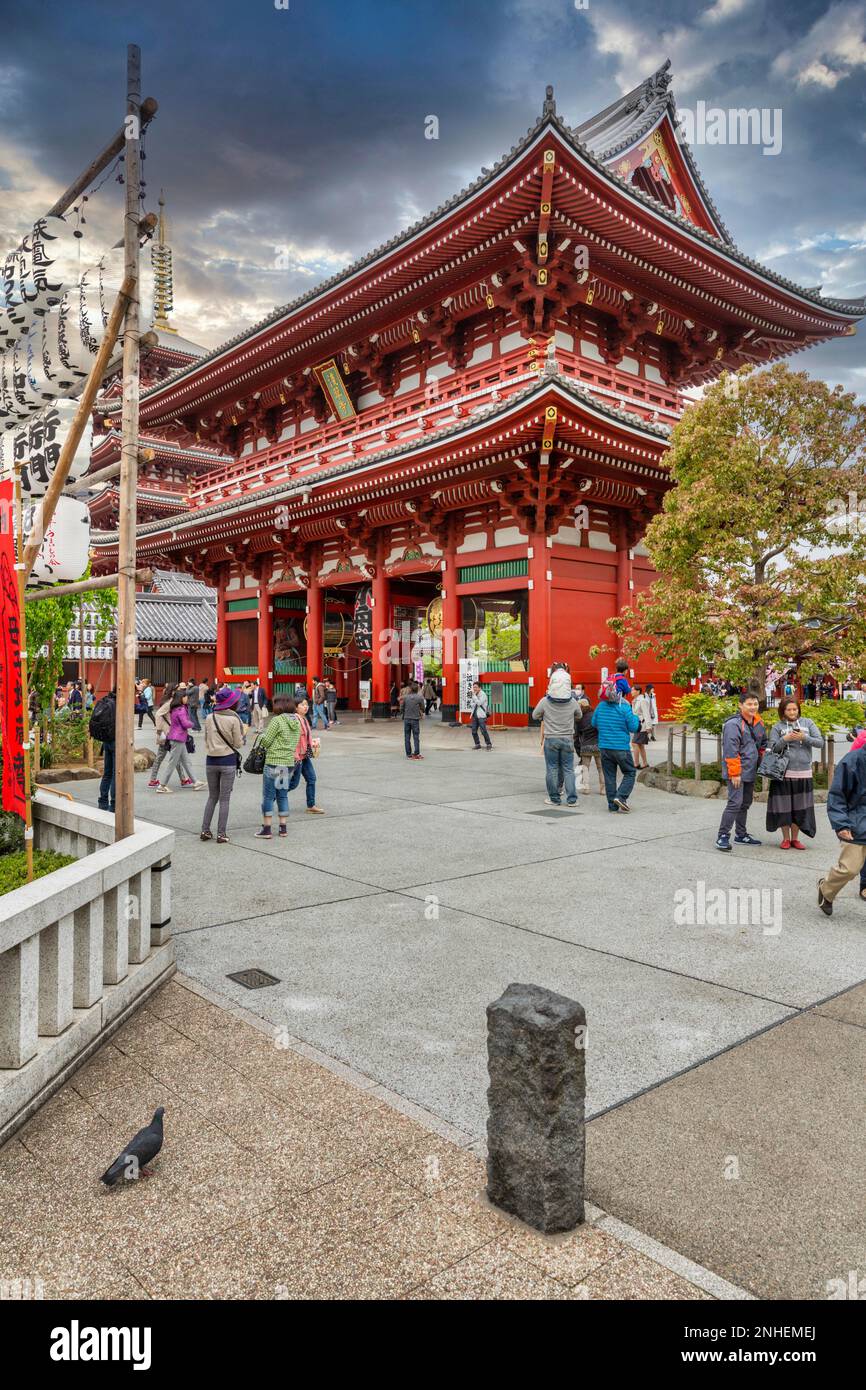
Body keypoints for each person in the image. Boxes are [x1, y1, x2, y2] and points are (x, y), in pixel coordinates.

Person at [766, 699, 823, 850]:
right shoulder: (777, 727)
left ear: (798, 710)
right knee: (784, 807)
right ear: (783, 711)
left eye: (795, 709)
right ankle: (785, 838)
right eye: (788, 710)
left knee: (799, 808)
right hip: (782, 774)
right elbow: (772, 749)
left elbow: (820, 742)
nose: (792, 712)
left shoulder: (808, 723)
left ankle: (795, 839)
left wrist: (804, 738)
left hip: (803, 772)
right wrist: (784, 739)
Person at [818, 734, 866, 917]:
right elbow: (837, 795)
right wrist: (841, 824)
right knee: (849, 869)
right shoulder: (853, 760)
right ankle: (826, 889)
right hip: (857, 823)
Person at [715, 692, 767, 851]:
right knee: (735, 803)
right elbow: (731, 750)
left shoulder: (758, 721)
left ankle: (741, 834)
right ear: (740, 705)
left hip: (751, 769)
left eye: (755, 704)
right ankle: (722, 836)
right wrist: (735, 773)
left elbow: (763, 742)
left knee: (745, 803)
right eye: (749, 704)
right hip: (737, 771)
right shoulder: (734, 724)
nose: (753, 707)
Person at [200, 686, 246, 843]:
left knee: (212, 796)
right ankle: (221, 833)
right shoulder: (233, 719)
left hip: (210, 760)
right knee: (224, 799)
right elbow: (238, 744)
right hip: (227, 760)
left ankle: (205, 830)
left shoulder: (209, 718)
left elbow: (206, 739)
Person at [256, 695, 304, 838]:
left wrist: (260, 737)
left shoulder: (277, 721)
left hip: (273, 762)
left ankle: (267, 828)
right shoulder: (296, 721)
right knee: (282, 796)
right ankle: (283, 828)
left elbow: (266, 741)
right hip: (287, 764)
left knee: (268, 796)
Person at [533, 668, 579, 807]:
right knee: (568, 769)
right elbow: (579, 715)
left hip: (551, 738)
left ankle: (554, 798)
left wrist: (545, 717)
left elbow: (535, 715)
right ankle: (572, 799)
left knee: (552, 768)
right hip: (567, 738)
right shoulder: (572, 702)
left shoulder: (545, 701)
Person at [592, 682, 640, 812]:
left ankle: (612, 805)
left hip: (604, 747)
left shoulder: (600, 706)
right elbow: (634, 727)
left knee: (609, 776)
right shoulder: (624, 708)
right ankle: (621, 797)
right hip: (621, 748)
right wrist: (635, 717)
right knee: (630, 772)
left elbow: (594, 723)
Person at [156, 692, 204, 793]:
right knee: (172, 763)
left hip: (176, 737)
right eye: (185, 696)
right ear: (181, 698)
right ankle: (162, 785)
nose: (187, 698)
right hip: (178, 738)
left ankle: (196, 781)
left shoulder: (174, 709)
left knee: (186, 761)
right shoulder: (181, 709)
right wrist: (193, 723)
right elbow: (185, 723)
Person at [289, 695, 325, 814]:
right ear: (295, 707)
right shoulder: (294, 719)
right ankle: (271, 797)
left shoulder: (304, 718)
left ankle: (311, 805)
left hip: (304, 755)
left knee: (311, 778)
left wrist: (312, 744)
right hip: (297, 756)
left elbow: (305, 737)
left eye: (306, 704)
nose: (306, 707)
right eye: (302, 705)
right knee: (293, 783)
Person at [89, 688, 117, 812]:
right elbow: (142, 708)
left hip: (106, 740)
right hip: (117, 741)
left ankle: (102, 802)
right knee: (116, 774)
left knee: (107, 773)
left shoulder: (107, 700)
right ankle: (114, 804)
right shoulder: (121, 703)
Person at [574, 684, 604, 796]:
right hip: (598, 745)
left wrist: (578, 751)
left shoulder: (579, 719)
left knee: (585, 767)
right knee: (601, 768)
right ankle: (603, 789)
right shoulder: (596, 716)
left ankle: (586, 788)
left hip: (585, 746)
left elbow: (576, 737)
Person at [148, 683, 177, 788]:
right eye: (177, 689)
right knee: (168, 757)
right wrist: (160, 731)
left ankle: (183, 779)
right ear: (172, 691)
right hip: (167, 734)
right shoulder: (169, 703)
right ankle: (152, 780)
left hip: (169, 733)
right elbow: (158, 714)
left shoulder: (171, 702)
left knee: (176, 756)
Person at [401, 680, 425, 759]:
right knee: (416, 736)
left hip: (407, 718)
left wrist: (404, 712)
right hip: (415, 719)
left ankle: (408, 754)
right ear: (417, 689)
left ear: (410, 689)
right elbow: (423, 708)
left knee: (407, 736)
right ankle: (416, 753)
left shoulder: (406, 697)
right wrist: (421, 711)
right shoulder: (419, 697)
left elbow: (402, 708)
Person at [630, 684, 652, 770]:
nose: (631, 692)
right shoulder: (634, 700)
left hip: (642, 725)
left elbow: (646, 714)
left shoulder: (642, 700)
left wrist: (648, 726)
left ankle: (636, 763)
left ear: (638, 691)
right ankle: (645, 763)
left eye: (633, 690)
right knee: (640, 745)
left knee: (634, 743)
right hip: (636, 725)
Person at [468, 680, 492, 750]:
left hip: (481, 715)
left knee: (483, 731)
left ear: (480, 688)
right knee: (473, 731)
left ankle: (489, 743)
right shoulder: (474, 695)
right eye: (473, 687)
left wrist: (474, 697)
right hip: (475, 715)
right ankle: (477, 744)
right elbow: (472, 704)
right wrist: (474, 698)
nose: (474, 689)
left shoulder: (483, 694)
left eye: (476, 687)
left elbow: (479, 703)